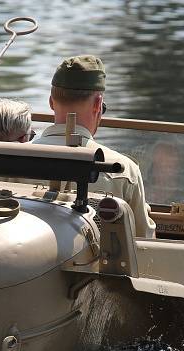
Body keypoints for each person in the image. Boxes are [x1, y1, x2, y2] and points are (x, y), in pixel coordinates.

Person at [34, 55, 156, 238]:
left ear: (51, 101)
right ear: (98, 104)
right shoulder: (123, 171)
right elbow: (144, 243)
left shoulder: (7, 161)